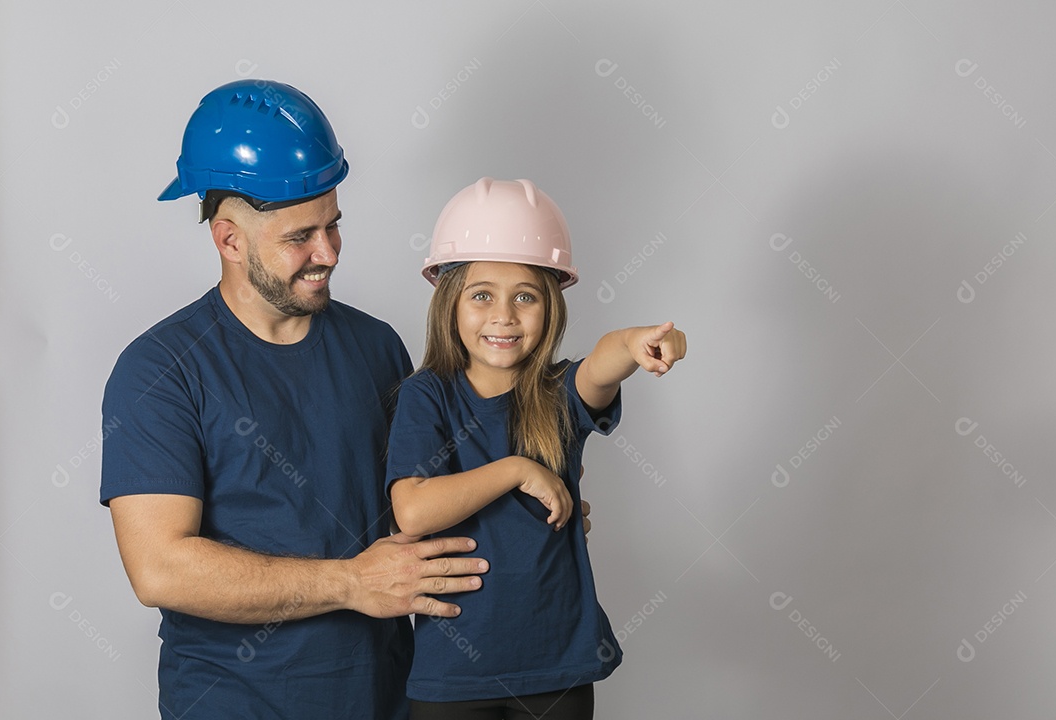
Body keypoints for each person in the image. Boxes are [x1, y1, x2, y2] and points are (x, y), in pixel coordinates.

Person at [100, 79, 491, 720]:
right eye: (300, 237)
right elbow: (162, 568)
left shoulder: (377, 347)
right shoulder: (160, 371)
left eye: (334, 226)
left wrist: (521, 508)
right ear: (228, 239)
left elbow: (421, 502)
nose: (328, 254)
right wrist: (351, 582)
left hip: (389, 698)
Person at [386, 177, 688, 720]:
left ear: (549, 307)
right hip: (453, 673)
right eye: (482, 295)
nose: (504, 315)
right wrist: (517, 470)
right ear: (450, 303)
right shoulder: (426, 394)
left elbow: (604, 361)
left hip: (557, 667)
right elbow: (412, 510)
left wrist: (636, 341)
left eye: (524, 296)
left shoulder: (559, 393)